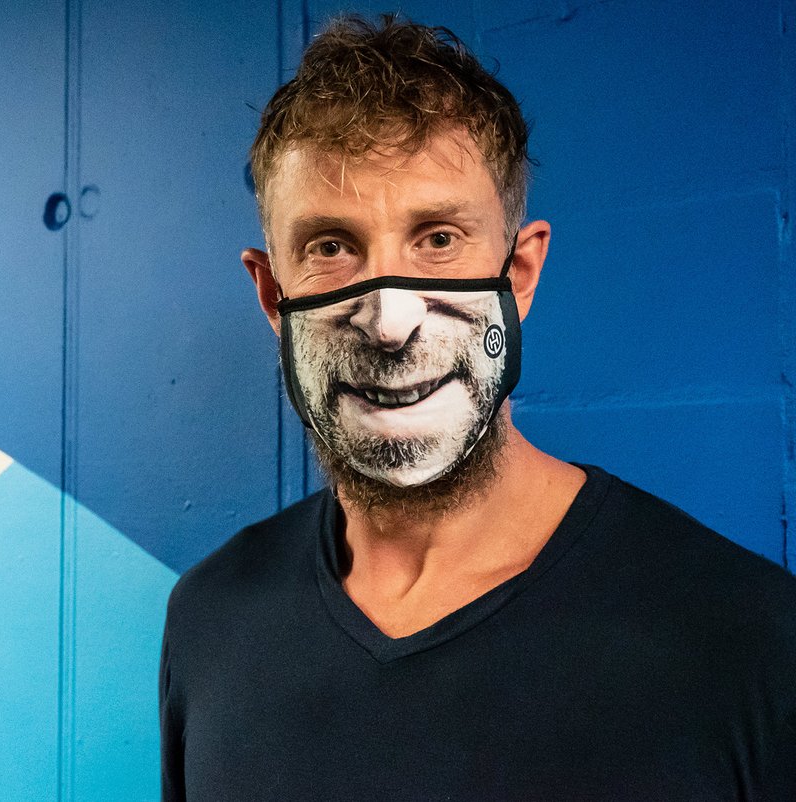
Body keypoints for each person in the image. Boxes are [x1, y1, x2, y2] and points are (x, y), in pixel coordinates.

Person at [159, 14, 796, 800]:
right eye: (331, 247)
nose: (388, 322)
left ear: (519, 275)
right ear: (271, 296)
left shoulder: (747, 641)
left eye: (438, 239)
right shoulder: (210, 620)